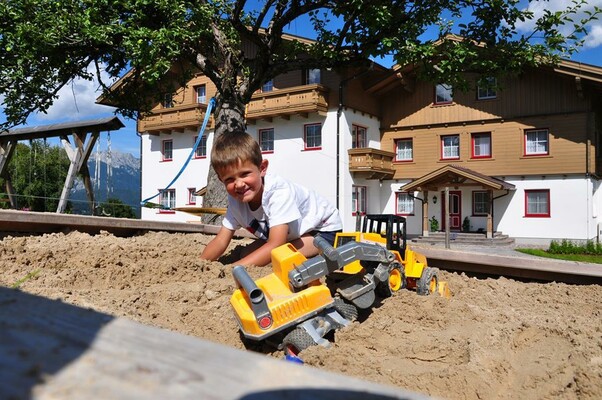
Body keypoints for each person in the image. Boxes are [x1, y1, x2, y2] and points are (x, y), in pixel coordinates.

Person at [200, 131, 342, 267]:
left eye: (244, 174)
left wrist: (234, 269)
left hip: (323, 231)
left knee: (278, 257)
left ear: (262, 168)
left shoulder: (277, 192)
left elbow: (276, 244)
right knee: (246, 254)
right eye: (229, 179)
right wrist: (200, 263)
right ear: (220, 180)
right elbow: (221, 240)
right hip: (293, 235)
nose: (239, 184)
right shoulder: (236, 200)